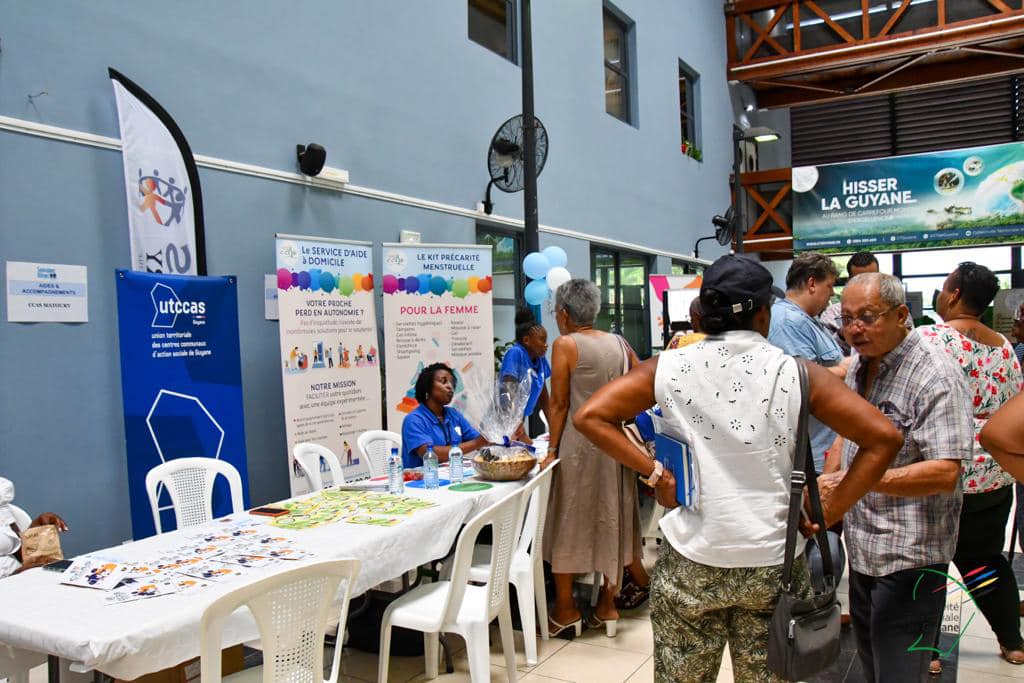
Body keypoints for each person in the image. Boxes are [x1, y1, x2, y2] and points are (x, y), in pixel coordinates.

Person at [572, 255, 903, 682]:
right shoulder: (797, 374)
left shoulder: (668, 367)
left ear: (704, 312)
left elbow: (591, 416)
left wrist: (653, 471)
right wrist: (832, 508)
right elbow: (884, 438)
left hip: (693, 558)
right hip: (774, 561)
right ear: (763, 313)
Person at [818, 272, 974, 682]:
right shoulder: (862, 364)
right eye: (847, 318)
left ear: (901, 315)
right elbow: (848, 434)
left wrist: (858, 481)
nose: (855, 328)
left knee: (901, 671)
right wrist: (830, 491)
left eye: (867, 317)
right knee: (871, 661)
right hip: (865, 548)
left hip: (911, 556)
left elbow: (945, 471)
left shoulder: (935, 374)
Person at [918, 262, 1024, 669]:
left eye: (945, 287)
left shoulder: (928, 338)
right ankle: (1012, 642)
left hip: (941, 469)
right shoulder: (1005, 347)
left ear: (955, 294)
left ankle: (928, 653)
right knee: (985, 562)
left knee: (929, 565)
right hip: (995, 474)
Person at [539, 279, 649, 639]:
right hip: (616, 444)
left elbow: (559, 404)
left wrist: (551, 451)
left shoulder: (566, 344)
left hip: (579, 446)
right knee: (613, 516)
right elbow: (642, 382)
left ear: (564, 314)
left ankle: (566, 609)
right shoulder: (619, 342)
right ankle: (607, 604)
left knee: (568, 519)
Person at [768, 252, 849, 594]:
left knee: (826, 532)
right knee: (816, 536)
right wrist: (847, 369)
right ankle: (811, 603)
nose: (832, 295)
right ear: (812, 283)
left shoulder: (807, 321)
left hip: (824, 445)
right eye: (830, 286)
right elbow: (800, 382)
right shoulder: (787, 322)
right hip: (810, 451)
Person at [820, 251, 913, 355]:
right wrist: (842, 335)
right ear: (849, 281)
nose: (867, 284)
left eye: (868, 317)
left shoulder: (894, 309)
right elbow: (826, 353)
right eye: (860, 279)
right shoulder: (832, 314)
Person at [400, 363, 487, 468]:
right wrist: (478, 442)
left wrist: (497, 436)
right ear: (427, 387)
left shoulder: (454, 415)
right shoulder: (414, 420)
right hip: (423, 477)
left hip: (454, 475)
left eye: (452, 383)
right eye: (444, 381)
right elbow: (430, 455)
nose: (450, 387)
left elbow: (480, 440)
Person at [1, 477, 69, 578]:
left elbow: (21, 553)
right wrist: (16, 575)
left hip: (22, 578)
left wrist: (37, 528)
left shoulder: (2, 499)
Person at [499, 307, 551, 440]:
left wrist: (554, 429)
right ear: (527, 340)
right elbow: (507, 398)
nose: (546, 345)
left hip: (519, 421)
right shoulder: (515, 353)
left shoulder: (540, 359)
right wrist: (524, 438)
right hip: (503, 422)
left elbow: (544, 397)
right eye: (542, 340)